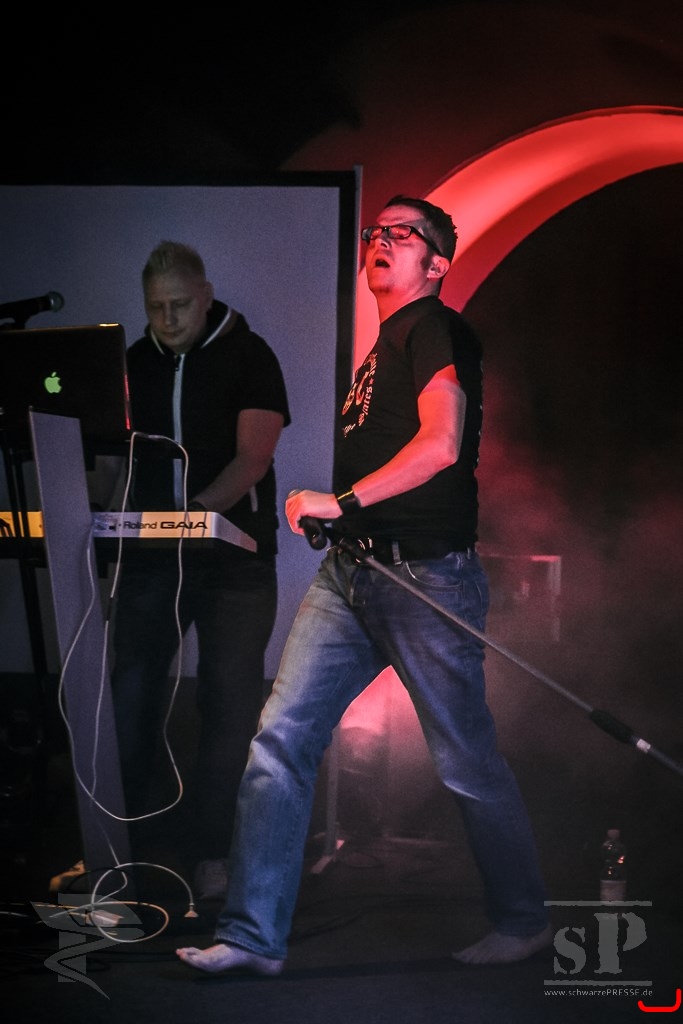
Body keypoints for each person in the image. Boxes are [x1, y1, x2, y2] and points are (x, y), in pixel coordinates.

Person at [176, 196, 551, 974]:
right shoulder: (386, 342)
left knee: (463, 758)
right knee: (280, 739)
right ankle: (251, 938)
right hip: (350, 573)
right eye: (374, 232)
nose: (380, 240)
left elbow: (441, 444)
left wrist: (339, 501)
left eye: (401, 233)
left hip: (423, 577)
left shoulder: (433, 327)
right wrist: (342, 519)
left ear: (436, 263)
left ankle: (523, 919)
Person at [109, 241, 290, 900]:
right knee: (130, 696)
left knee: (227, 704)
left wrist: (193, 514)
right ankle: (130, 850)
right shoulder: (133, 363)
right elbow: (111, 456)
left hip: (236, 564)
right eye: (155, 307)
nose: (167, 319)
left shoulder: (251, 355)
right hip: (152, 562)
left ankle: (214, 851)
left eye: (179, 305)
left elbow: (252, 459)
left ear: (206, 295)